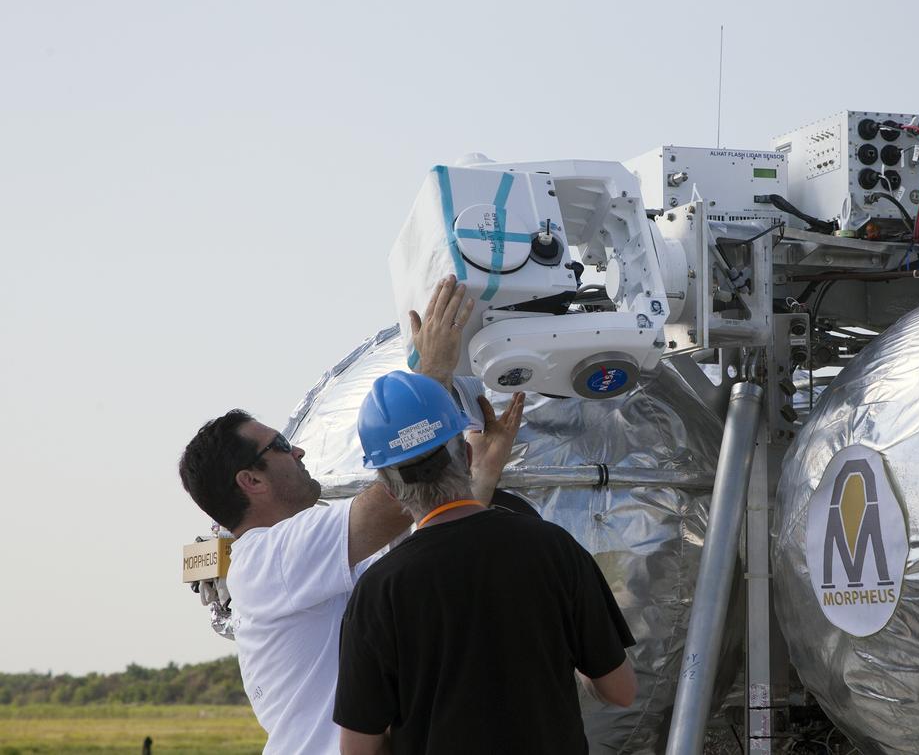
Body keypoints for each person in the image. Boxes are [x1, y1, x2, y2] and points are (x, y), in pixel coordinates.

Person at [177, 276, 522, 754]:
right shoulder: (266, 560)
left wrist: (480, 477)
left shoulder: (309, 563)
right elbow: (392, 502)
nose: (296, 450)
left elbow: (432, 553)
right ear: (250, 481)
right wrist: (432, 378)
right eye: (278, 447)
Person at [333, 371, 637, 755]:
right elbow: (621, 691)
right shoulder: (553, 549)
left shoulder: (378, 592)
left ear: (390, 489)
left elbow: (358, 749)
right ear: (468, 455)